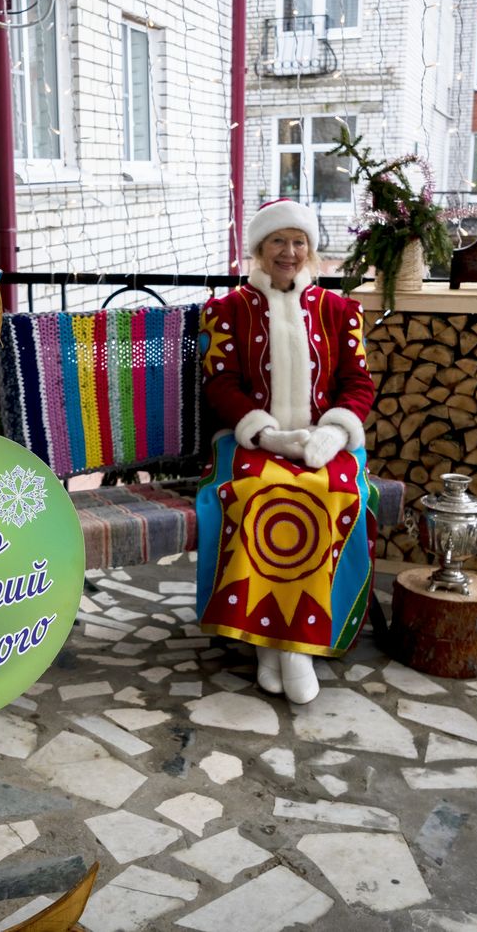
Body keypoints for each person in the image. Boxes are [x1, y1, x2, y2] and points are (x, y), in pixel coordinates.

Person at [194, 198, 377, 705]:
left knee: (331, 493)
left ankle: (288, 648)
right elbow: (220, 385)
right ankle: (274, 643)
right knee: (257, 491)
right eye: (278, 241)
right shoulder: (225, 311)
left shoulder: (341, 311)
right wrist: (267, 436)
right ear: (259, 248)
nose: (289, 252)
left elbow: (359, 383)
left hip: (324, 440)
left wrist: (335, 432)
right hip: (252, 441)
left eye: (298, 242)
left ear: (310, 250)